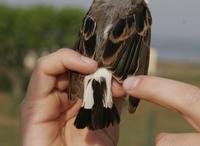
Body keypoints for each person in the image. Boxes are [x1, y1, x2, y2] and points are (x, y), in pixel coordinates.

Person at [20, 48, 200, 146]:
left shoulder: (95, 7)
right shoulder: (137, 8)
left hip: (92, 74)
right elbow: (138, 47)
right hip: (109, 77)